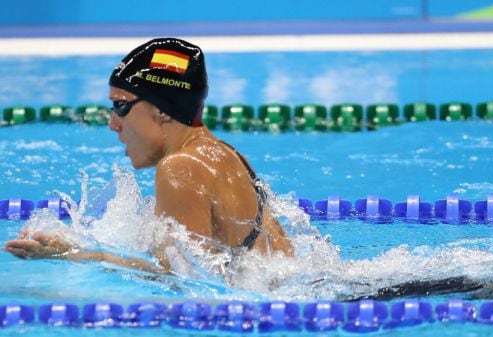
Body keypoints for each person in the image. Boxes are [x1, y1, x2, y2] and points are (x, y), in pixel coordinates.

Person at [4, 37, 293, 272]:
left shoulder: (181, 167)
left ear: (162, 108)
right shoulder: (224, 154)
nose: (112, 123)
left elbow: (187, 282)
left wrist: (78, 255)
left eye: (120, 106)